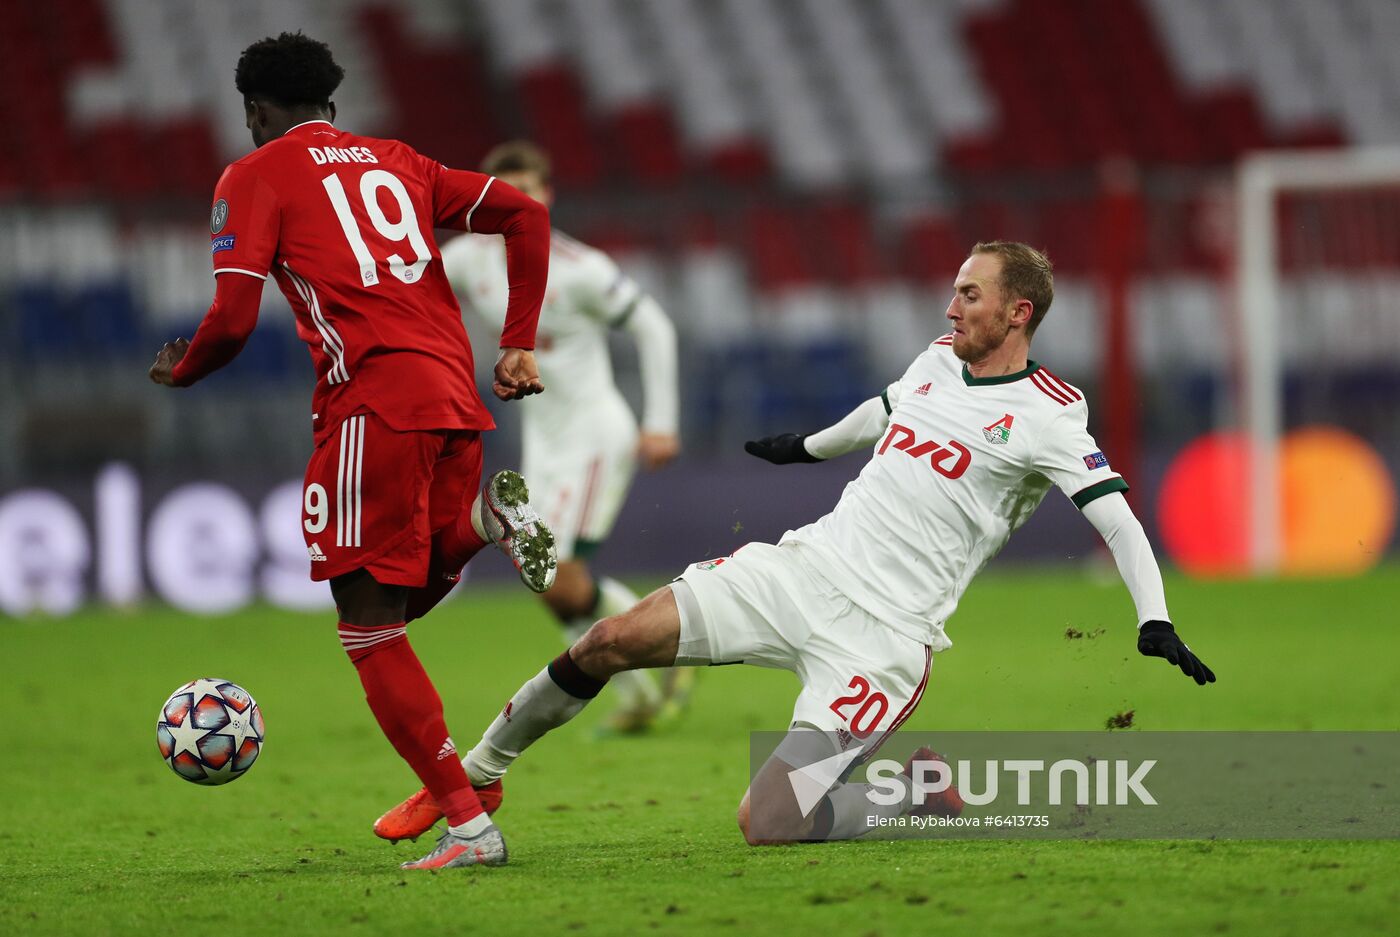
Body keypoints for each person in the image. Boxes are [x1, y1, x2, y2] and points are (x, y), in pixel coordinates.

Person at [374, 240, 1217, 853]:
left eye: (969, 294)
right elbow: (881, 412)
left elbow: (1118, 520)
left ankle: (910, 791)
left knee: (769, 822)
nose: (951, 307)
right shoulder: (936, 361)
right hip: (802, 570)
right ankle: (476, 774)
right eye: (954, 292)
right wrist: (804, 448)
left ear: (1017, 312)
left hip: (883, 641)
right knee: (609, 639)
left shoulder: (1050, 415)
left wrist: (1154, 618)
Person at [147, 32, 558, 870]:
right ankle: (480, 525)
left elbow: (231, 318)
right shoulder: (400, 161)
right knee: (394, 609)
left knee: (368, 630)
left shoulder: (254, 174)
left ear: (256, 111)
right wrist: (517, 340)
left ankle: (469, 829)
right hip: (454, 399)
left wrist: (183, 371)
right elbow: (527, 212)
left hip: (374, 403)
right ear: (330, 103)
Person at [444, 145, 687, 732]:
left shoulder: (580, 267)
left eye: (527, 190)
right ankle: (649, 685)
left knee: (554, 574)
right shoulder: (468, 260)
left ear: (547, 195)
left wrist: (661, 421)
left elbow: (654, 325)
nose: (516, 202)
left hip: (594, 435)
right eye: (505, 192)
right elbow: (407, 289)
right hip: (544, 442)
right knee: (545, 579)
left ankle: (664, 661)